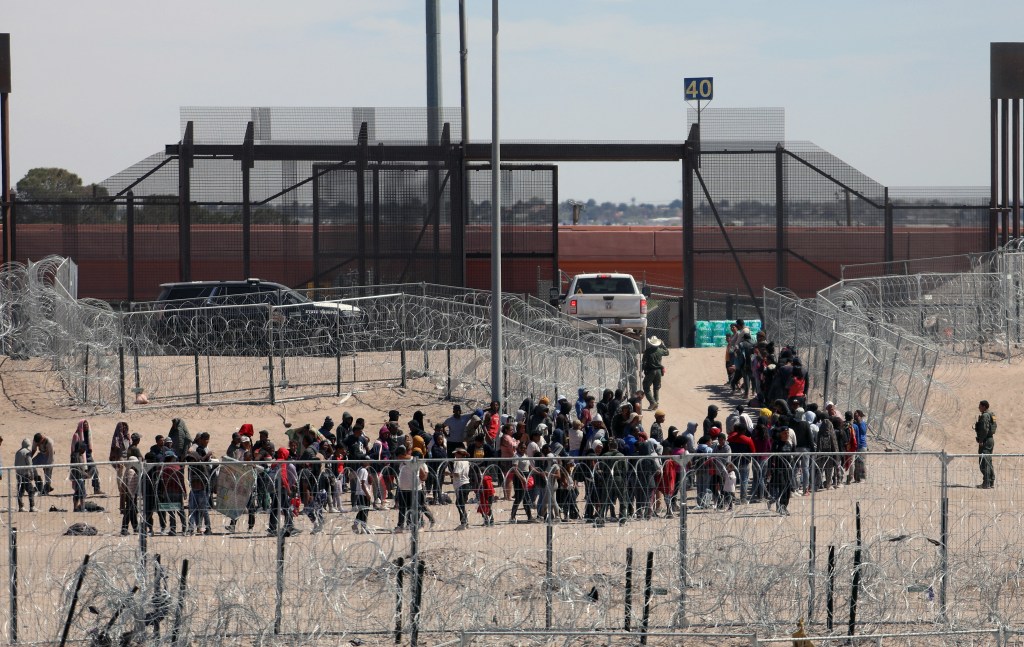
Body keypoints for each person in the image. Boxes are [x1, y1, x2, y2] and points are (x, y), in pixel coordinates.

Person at [641, 336, 670, 410]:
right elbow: (667, 352)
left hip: (651, 371)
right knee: (656, 388)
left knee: (646, 386)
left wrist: (642, 370)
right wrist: (663, 345)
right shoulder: (660, 350)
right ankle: (656, 403)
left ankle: (652, 402)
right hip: (659, 371)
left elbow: (644, 362)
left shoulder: (647, 351)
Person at [975, 400, 997, 489]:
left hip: (986, 440)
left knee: (984, 462)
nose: (979, 407)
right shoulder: (992, 414)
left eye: (980, 406)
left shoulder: (985, 416)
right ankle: (990, 481)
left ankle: (986, 483)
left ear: (984, 406)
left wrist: (981, 440)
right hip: (990, 440)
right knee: (988, 461)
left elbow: (984, 429)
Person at [451, 448, 472, 530]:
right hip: (466, 484)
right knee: (461, 504)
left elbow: (457, 474)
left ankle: (463, 523)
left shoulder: (458, 462)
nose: (455, 456)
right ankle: (465, 522)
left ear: (460, 454)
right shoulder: (466, 462)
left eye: (456, 454)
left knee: (459, 504)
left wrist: (449, 474)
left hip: (461, 485)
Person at [15, 438, 36, 512]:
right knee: (31, 491)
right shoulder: (27, 452)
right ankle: (32, 507)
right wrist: (32, 475)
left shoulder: (17, 452)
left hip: (18, 474)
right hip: (25, 475)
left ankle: (21, 507)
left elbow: (15, 464)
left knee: (20, 491)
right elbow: (30, 465)